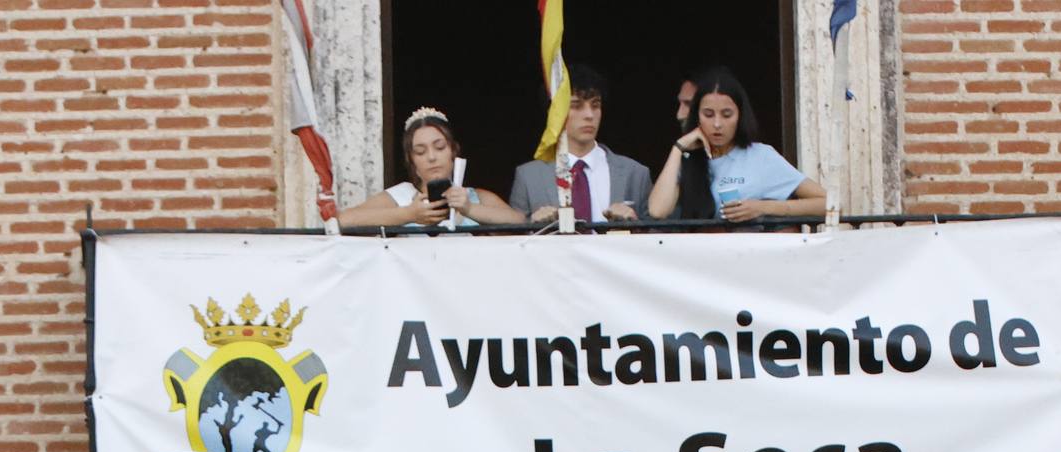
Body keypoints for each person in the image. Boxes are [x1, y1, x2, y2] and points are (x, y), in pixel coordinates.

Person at [647, 67, 826, 222]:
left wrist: (762, 208)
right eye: (708, 115)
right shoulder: (687, 157)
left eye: (727, 115)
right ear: (697, 116)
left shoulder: (761, 156)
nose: (717, 124)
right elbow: (657, 211)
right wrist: (678, 147)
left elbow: (828, 203)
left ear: (740, 116)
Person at [508, 66, 651, 223]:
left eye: (595, 105)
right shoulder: (529, 176)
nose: (589, 115)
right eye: (576, 106)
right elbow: (514, 241)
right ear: (553, 112)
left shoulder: (636, 173)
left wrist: (635, 223)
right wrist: (532, 226)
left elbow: (659, 237)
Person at [339, 107, 521, 229]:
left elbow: (521, 222)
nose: (432, 157)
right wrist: (408, 214)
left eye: (440, 147)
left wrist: (469, 209)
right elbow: (342, 221)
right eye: (420, 151)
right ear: (412, 162)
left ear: (453, 152)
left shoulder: (475, 197)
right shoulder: (399, 197)